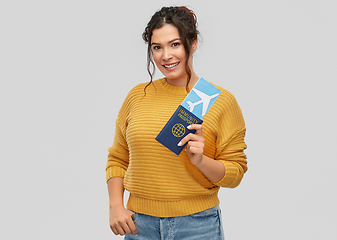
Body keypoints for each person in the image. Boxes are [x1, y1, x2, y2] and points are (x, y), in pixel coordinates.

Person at [106, 6, 247, 240]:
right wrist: (115, 206)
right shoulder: (137, 96)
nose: (166, 56)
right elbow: (118, 157)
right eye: (157, 47)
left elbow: (236, 172)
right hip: (139, 225)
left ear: (192, 44)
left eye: (175, 44)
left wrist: (202, 161)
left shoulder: (219, 100)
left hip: (197, 226)